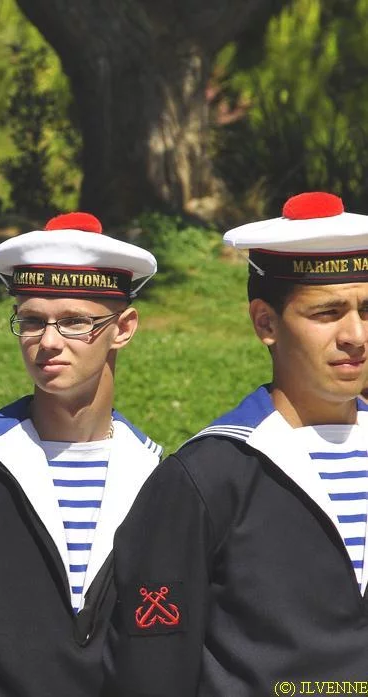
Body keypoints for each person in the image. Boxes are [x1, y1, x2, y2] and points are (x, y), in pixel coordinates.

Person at [105, 192, 368, 696]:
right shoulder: (207, 477)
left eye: (366, 308)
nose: (354, 334)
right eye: (326, 312)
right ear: (265, 323)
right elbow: (152, 668)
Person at [0, 212, 162, 697]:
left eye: (75, 322)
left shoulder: (160, 477)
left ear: (125, 327)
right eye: (31, 321)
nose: (48, 343)